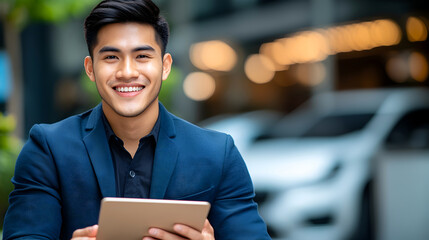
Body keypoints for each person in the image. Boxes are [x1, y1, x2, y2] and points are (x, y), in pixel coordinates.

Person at [2, 0, 271, 239]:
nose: (127, 72)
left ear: (165, 66)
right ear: (90, 68)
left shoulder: (217, 153)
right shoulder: (48, 149)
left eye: (142, 56)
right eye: (111, 57)